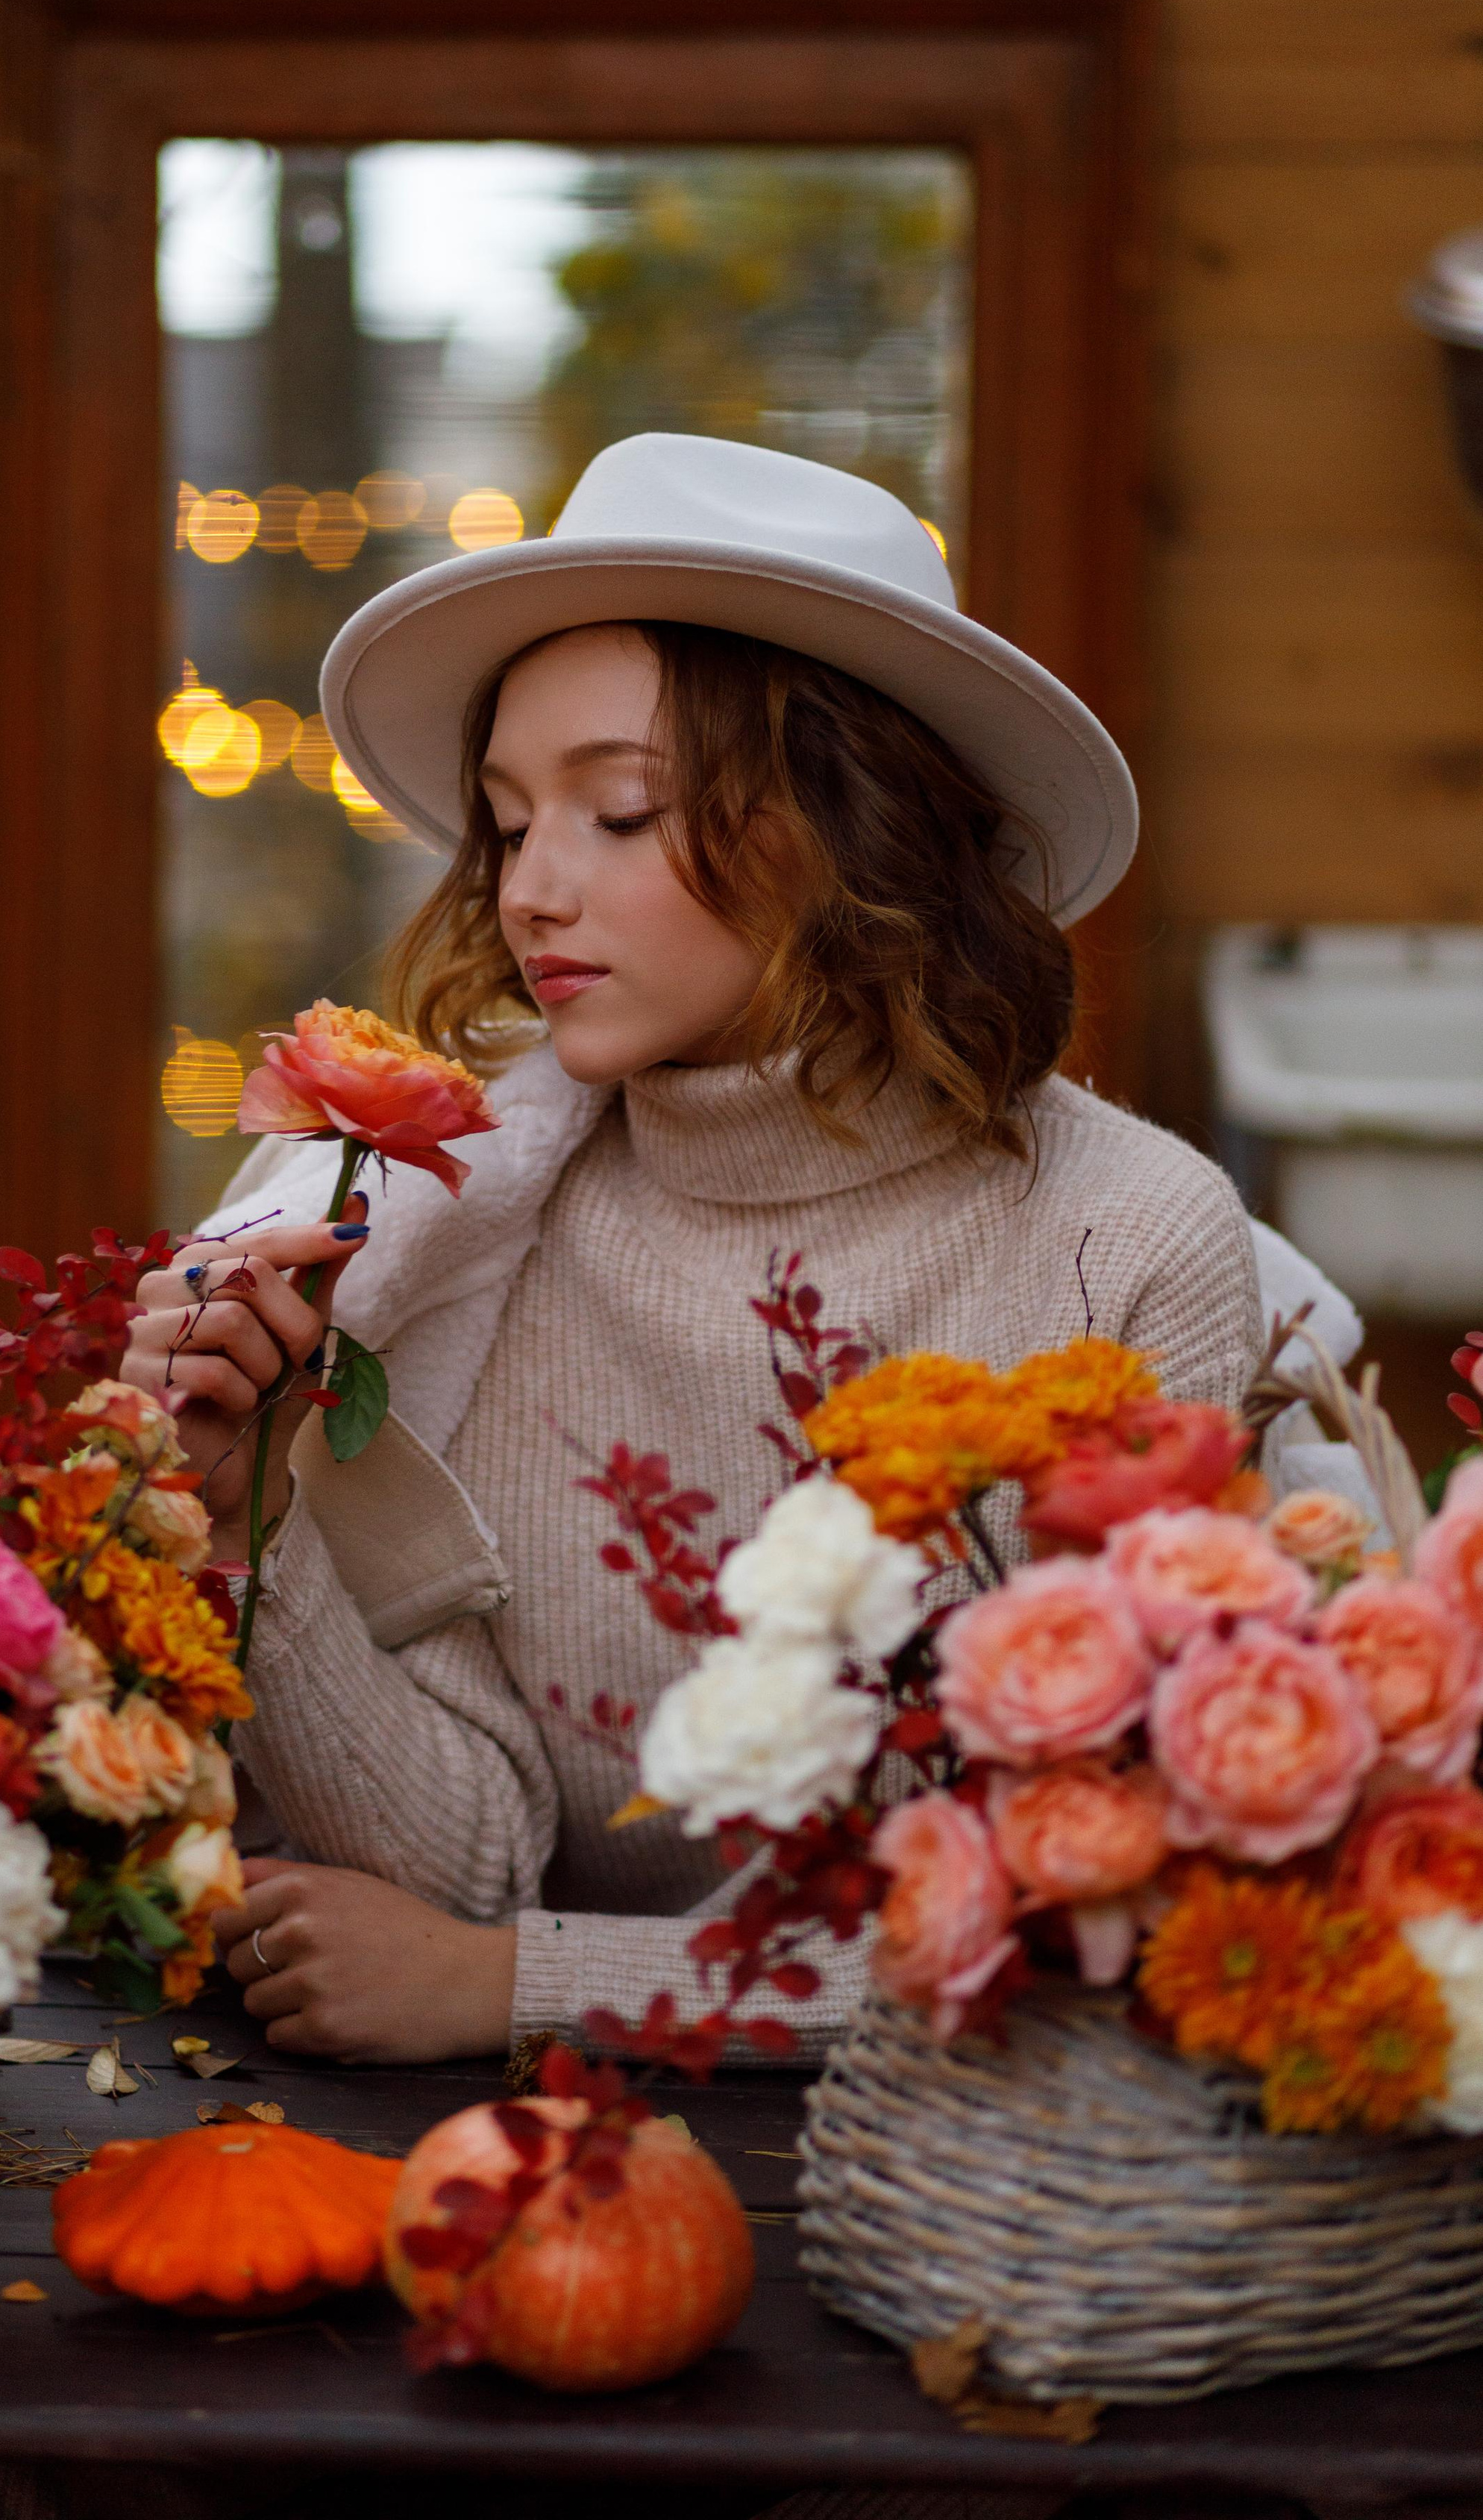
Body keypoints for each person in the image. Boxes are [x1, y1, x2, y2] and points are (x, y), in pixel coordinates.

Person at [122, 432, 1268, 2071]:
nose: (530, 889)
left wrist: (517, 1983)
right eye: (509, 824)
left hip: (994, 2197)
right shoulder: (435, 1239)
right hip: (508, 2168)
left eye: (619, 809)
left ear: (847, 828)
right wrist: (250, 1502)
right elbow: (447, 1877)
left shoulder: (1124, 1243)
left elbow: (1117, 1926)